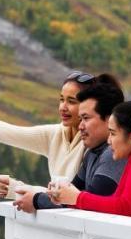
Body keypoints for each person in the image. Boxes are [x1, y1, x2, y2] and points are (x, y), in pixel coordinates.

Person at [0, 71, 122, 205]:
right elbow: (6, 132)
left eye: (71, 102)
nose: (63, 107)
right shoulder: (55, 134)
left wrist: (20, 189)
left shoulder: (95, 141)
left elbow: (75, 199)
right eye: (61, 99)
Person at [49, 100, 131, 223]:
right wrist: (67, 198)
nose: (108, 141)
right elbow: (115, 203)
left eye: (112, 133)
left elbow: (126, 208)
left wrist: (77, 198)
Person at [30, 79, 125, 211]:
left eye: (86, 118)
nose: (80, 126)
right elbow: (69, 195)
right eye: (80, 119)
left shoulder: (113, 154)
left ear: (109, 120)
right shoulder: (92, 153)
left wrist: (35, 200)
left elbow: (86, 202)